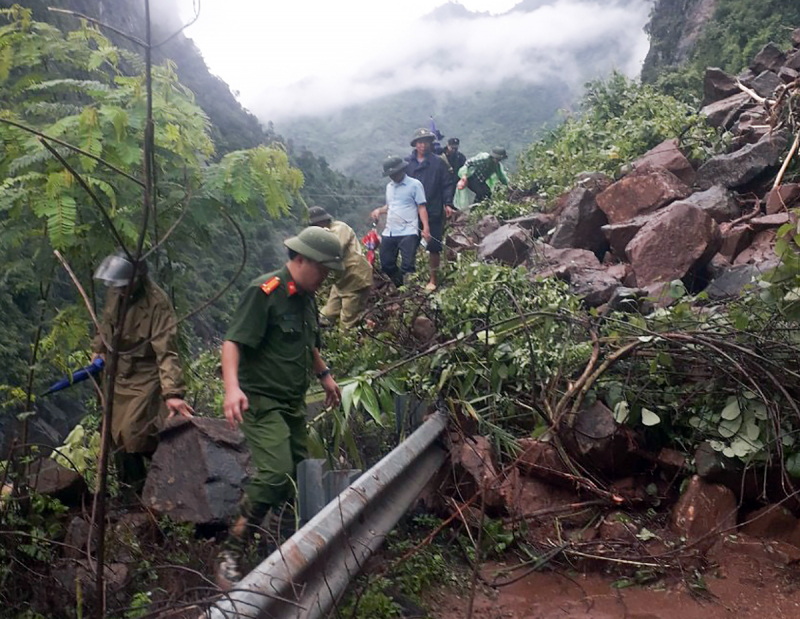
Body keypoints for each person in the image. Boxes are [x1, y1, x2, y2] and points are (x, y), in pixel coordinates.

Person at [219, 227, 343, 588]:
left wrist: (325, 375)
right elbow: (232, 341)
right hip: (261, 401)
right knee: (275, 473)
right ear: (300, 260)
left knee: (296, 476)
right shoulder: (266, 291)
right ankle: (231, 551)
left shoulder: (306, 295)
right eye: (321, 268)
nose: (324, 277)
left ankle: (287, 547)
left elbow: (308, 343)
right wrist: (231, 389)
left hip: (292, 403)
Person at [91, 252, 193, 495]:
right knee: (115, 437)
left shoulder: (157, 302)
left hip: (144, 375)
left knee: (133, 433)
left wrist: (172, 392)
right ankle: (130, 494)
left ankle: (162, 487)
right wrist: (99, 351)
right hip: (117, 373)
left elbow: (166, 349)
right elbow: (106, 325)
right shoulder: (115, 291)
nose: (121, 291)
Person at [405, 128, 455, 291]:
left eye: (426, 142)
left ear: (430, 144)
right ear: (415, 144)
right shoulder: (407, 164)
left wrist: (448, 203)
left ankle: (433, 278)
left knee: (433, 244)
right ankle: (410, 276)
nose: (423, 145)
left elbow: (447, 184)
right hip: (411, 210)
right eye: (420, 142)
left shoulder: (438, 162)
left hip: (432, 207)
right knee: (409, 243)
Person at [308, 206, 373, 329]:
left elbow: (334, 249)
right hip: (341, 282)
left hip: (355, 280)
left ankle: (348, 345)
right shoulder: (324, 234)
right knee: (326, 315)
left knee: (347, 323)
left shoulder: (339, 229)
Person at [371, 155, 429, 288]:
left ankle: (409, 291)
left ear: (402, 170)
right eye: (391, 174)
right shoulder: (389, 187)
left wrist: (426, 228)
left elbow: (421, 207)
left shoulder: (415, 185)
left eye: (395, 173)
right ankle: (400, 286)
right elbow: (390, 206)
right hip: (390, 231)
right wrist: (379, 211)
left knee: (408, 265)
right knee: (386, 264)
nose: (393, 176)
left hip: (409, 231)